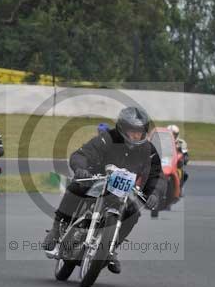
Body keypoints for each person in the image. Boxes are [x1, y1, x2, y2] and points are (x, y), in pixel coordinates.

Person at [43, 107, 164, 274]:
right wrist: (81, 169)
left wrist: (155, 194)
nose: (137, 135)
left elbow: (157, 175)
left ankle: (111, 249)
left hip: (122, 190)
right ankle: (56, 228)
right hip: (97, 179)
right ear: (122, 128)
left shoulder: (148, 151)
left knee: (134, 212)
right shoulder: (107, 138)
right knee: (77, 186)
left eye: (140, 131)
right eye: (132, 131)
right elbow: (81, 154)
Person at [167, 124, 189, 190]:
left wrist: (184, 159)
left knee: (183, 174)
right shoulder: (162, 142)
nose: (172, 136)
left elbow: (186, 155)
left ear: (177, 135)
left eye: (174, 134)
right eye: (170, 134)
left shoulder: (181, 143)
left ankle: (179, 188)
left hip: (176, 164)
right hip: (164, 163)